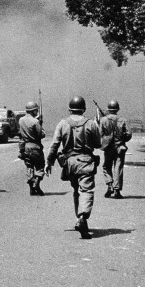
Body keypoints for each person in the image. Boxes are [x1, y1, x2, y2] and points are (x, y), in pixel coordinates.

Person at [45, 96, 102, 239]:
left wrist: (49, 162)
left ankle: (79, 219)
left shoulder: (62, 124)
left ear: (70, 109)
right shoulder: (90, 123)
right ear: (83, 109)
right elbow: (98, 144)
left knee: (77, 190)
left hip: (70, 163)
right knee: (86, 190)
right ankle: (83, 217)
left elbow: (54, 145)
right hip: (86, 162)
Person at [99, 100, 132, 199]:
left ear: (108, 109)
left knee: (106, 167)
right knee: (118, 168)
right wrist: (122, 140)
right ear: (117, 109)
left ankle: (109, 185)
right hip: (120, 147)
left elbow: (100, 133)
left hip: (108, 147)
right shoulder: (123, 120)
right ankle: (117, 190)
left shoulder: (103, 120)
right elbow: (129, 134)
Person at [18, 101, 46, 196]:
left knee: (29, 167)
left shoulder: (21, 120)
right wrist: (40, 125)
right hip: (35, 147)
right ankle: (36, 183)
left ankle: (31, 189)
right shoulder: (35, 121)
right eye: (36, 110)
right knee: (40, 167)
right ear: (33, 110)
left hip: (26, 147)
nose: (37, 111)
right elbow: (41, 134)